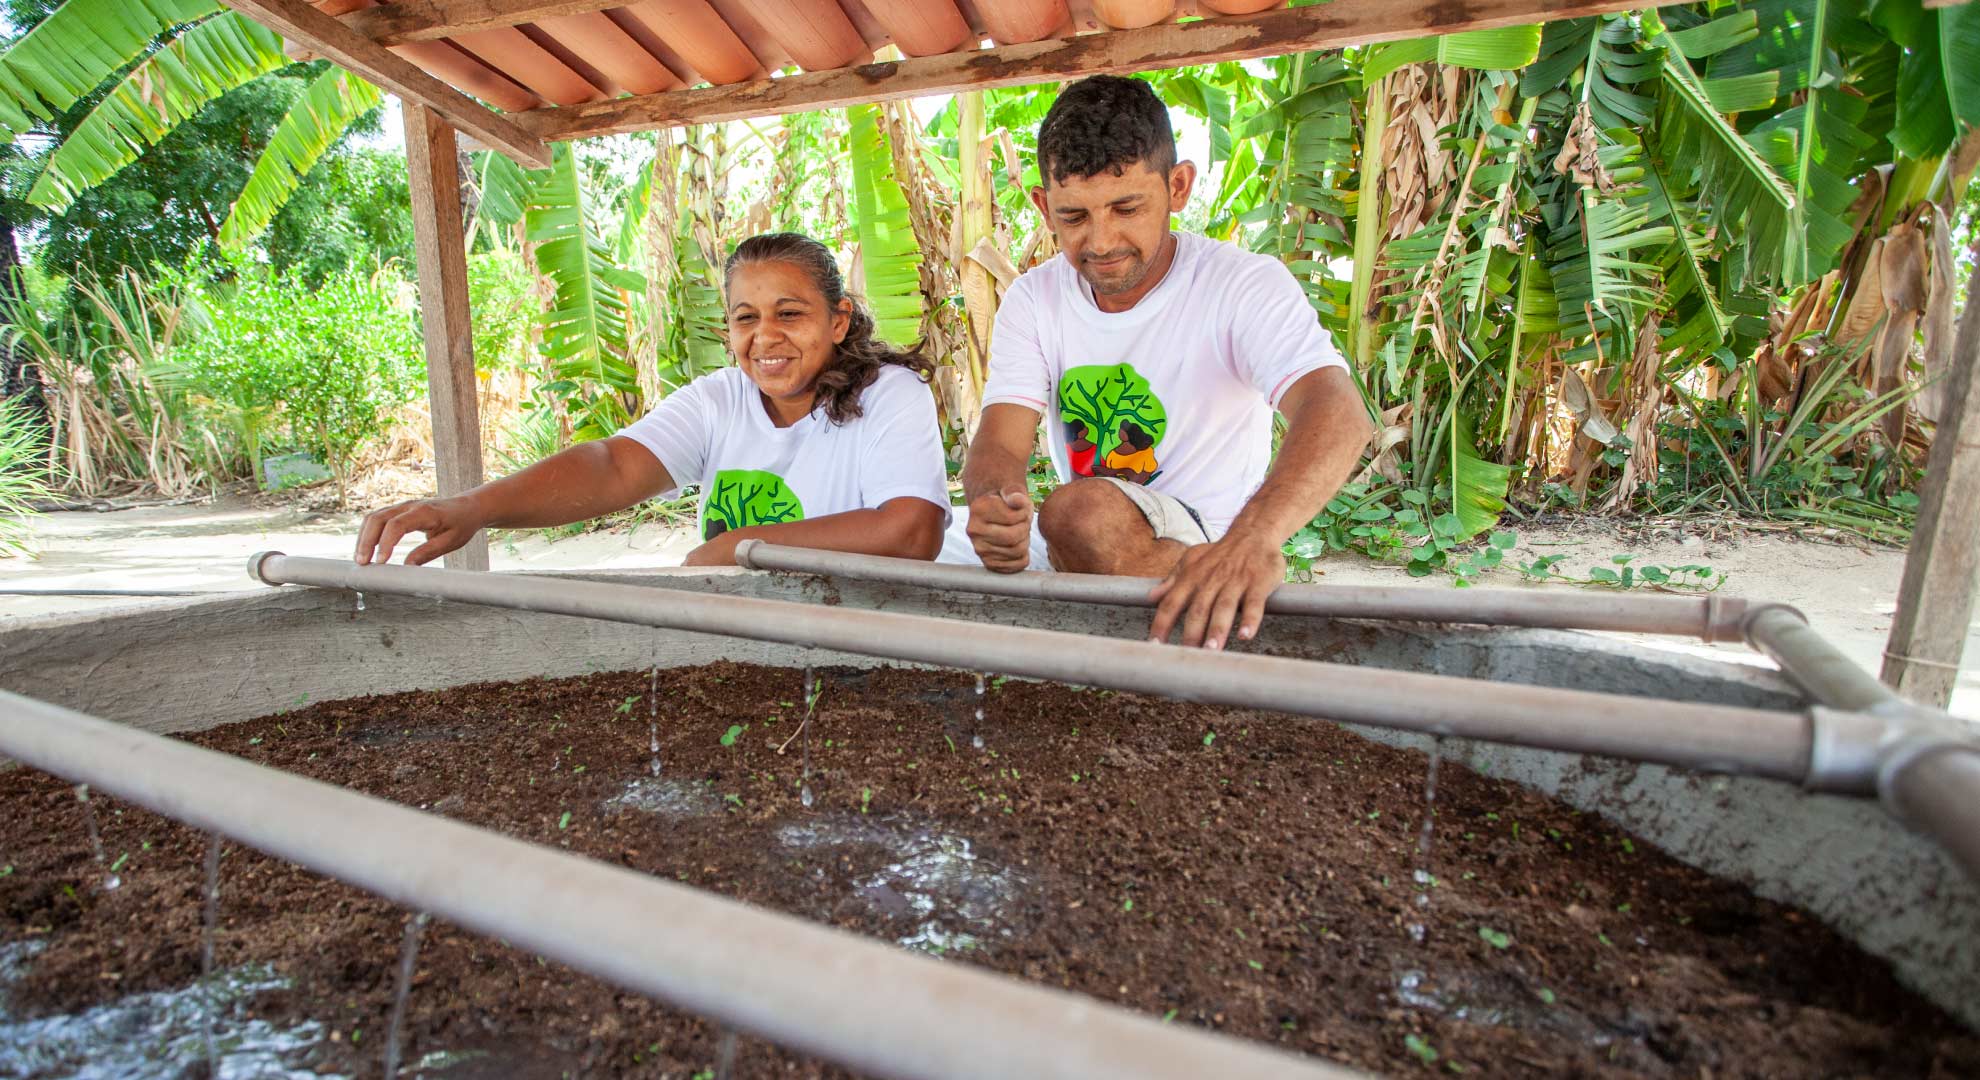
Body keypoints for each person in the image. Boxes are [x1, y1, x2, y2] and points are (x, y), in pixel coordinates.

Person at [950, 75, 1373, 650]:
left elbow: (1337, 410)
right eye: (1074, 217)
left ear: (1178, 186)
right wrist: (994, 506)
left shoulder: (1241, 284)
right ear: (1043, 206)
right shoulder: (1034, 298)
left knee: (1078, 513)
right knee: (942, 531)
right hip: (1101, 535)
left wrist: (1251, 542)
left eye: (1126, 207)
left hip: (1207, 534)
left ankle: (1206, 616)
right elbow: (1000, 445)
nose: (1100, 241)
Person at [354, 232, 950, 568]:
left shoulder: (890, 395)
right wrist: (474, 508)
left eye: (790, 314)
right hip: (751, 643)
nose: (766, 337)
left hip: (870, 638)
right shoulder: (720, 400)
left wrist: (736, 549)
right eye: (746, 319)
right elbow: (613, 466)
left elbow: (909, 532)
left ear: (839, 320)